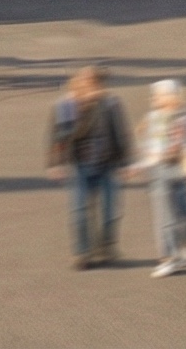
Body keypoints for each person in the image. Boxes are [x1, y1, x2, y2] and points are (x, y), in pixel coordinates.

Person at [46, 64, 130, 268]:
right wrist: (55, 163)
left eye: (94, 83)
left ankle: (107, 246)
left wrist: (125, 163)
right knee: (80, 210)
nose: (91, 86)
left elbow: (121, 132)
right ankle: (82, 253)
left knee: (111, 211)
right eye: (86, 82)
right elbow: (58, 137)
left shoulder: (110, 103)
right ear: (77, 83)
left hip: (107, 164)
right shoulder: (66, 106)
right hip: (80, 165)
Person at [131, 79, 186, 276]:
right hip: (159, 171)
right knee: (163, 217)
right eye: (154, 95)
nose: (153, 99)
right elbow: (148, 147)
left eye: (158, 95)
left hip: (184, 170)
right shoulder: (151, 118)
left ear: (172, 96)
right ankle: (167, 258)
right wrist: (138, 166)